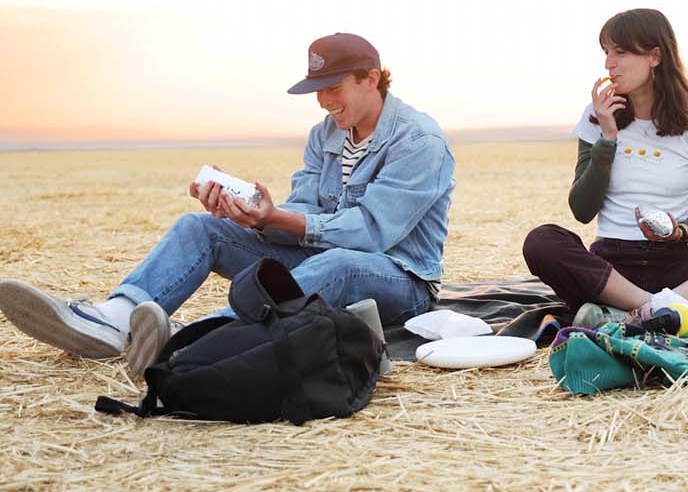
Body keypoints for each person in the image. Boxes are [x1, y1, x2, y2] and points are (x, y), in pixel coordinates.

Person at [0, 33, 455, 376]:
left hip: (401, 279)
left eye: (332, 85)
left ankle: (192, 338)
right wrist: (252, 216)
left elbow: (373, 233)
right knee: (198, 228)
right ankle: (112, 321)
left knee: (336, 263)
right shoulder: (325, 134)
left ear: (371, 78)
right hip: (322, 258)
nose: (322, 100)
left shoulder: (418, 140)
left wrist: (281, 219)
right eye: (317, 88)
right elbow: (303, 213)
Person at [523, 8, 688, 327]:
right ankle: (661, 309)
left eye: (620, 52)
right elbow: (582, 210)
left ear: (655, 56)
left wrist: (680, 230)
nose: (609, 64)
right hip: (610, 272)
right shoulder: (596, 117)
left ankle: (636, 313)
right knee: (541, 241)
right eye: (606, 53)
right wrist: (607, 139)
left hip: (674, 266)